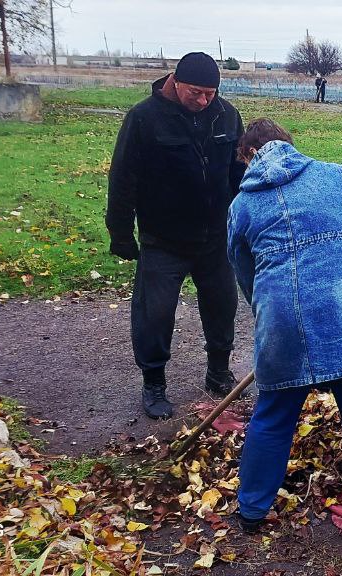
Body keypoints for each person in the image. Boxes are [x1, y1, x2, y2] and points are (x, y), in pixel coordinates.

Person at [226, 118, 342, 535]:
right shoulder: (335, 175)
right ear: (289, 146)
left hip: (282, 321)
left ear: (248, 156)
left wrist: (268, 308)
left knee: (272, 419)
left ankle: (252, 511)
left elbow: (244, 271)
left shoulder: (241, 206)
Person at [106, 52, 246, 419]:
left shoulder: (227, 115)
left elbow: (239, 173)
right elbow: (123, 179)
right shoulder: (144, 118)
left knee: (222, 308)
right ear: (176, 82)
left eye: (210, 93)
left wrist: (245, 222)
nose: (203, 101)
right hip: (163, 238)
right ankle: (154, 383)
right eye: (196, 93)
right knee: (155, 314)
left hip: (215, 236)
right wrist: (120, 233)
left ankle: (218, 372)